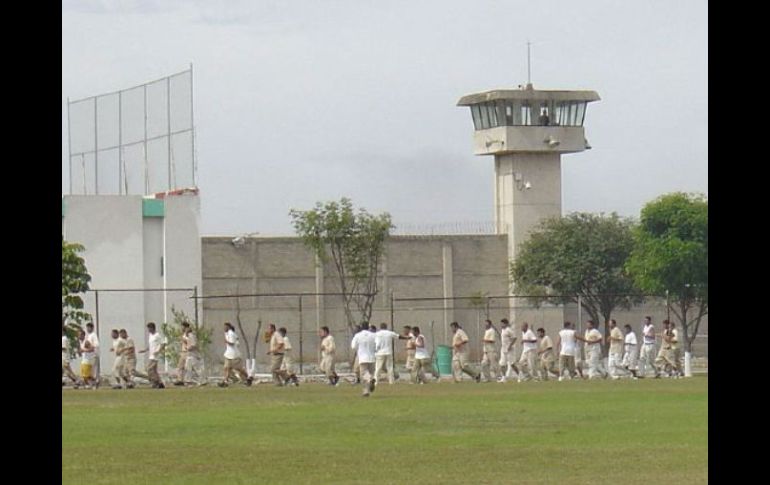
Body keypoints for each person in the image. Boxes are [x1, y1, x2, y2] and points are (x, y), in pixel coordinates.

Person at [218, 322, 253, 387]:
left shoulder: (231, 333)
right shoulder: (227, 333)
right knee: (226, 368)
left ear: (228, 327)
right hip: (228, 354)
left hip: (234, 355)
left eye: (225, 327)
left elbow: (232, 343)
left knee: (239, 369)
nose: (224, 328)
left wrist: (227, 342)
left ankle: (248, 377)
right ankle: (225, 382)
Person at [351, 324, 377, 397]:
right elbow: (377, 345)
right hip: (372, 357)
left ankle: (368, 384)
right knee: (370, 373)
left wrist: (359, 349)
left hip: (362, 357)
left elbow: (353, 347)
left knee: (364, 375)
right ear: (368, 328)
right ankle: (366, 391)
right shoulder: (373, 335)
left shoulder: (357, 335)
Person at [138, 322, 166, 389]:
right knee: (154, 371)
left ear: (152, 328)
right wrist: (144, 350)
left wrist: (158, 351)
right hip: (151, 355)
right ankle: (160, 383)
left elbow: (163, 344)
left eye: (149, 328)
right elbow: (150, 345)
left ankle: (155, 382)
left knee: (149, 369)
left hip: (155, 356)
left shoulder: (157, 335)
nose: (148, 330)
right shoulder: (150, 335)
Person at [173, 322, 191, 386]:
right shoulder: (183, 334)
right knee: (180, 367)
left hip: (187, 352)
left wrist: (183, 340)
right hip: (183, 352)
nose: (181, 328)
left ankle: (187, 380)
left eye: (182, 326)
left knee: (187, 367)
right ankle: (180, 380)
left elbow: (190, 342)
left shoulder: (189, 334)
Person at [85, 322, 101, 388]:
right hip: (90, 355)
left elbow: (97, 344)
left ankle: (95, 383)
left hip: (94, 355)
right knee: (90, 370)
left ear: (92, 328)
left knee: (93, 370)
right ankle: (93, 383)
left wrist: (90, 346)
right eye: (87, 328)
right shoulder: (89, 335)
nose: (88, 329)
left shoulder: (93, 335)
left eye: (89, 327)